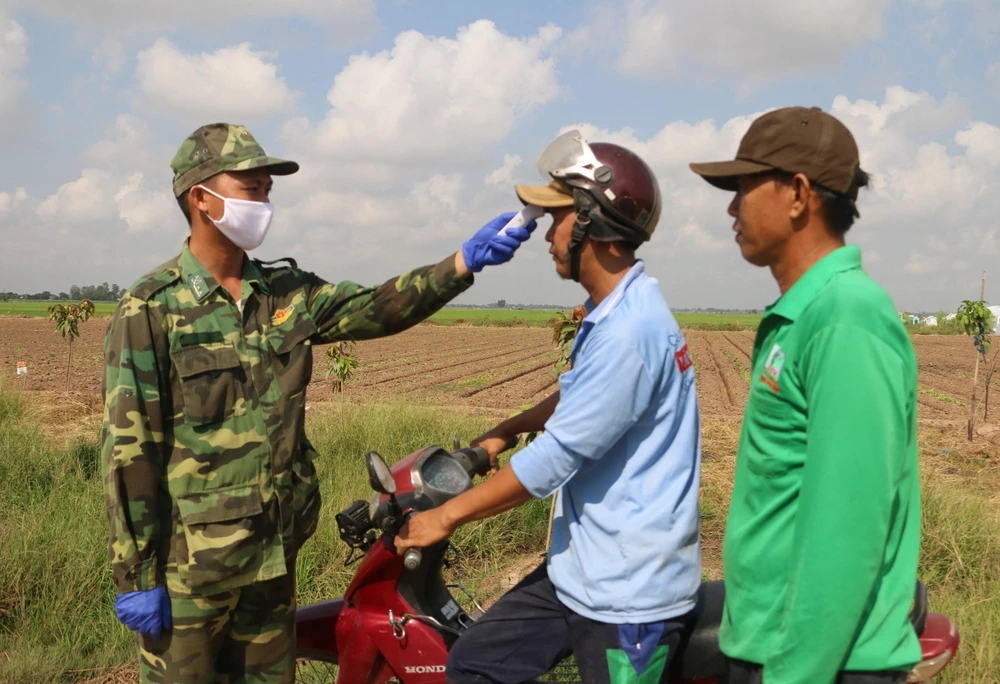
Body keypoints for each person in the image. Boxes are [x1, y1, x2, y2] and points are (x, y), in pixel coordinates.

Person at [100, 122, 537, 683]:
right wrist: (138, 575)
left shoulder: (287, 294)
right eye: (250, 188)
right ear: (201, 198)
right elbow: (130, 452)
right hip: (189, 574)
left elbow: (377, 306)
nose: (263, 202)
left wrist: (460, 264)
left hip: (272, 559)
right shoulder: (151, 308)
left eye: (267, 191)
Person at [395, 130, 702, 684]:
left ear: (596, 223)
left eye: (557, 216)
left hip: (628, 595)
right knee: (476, 663)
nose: (547, 235)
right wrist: (507, 430)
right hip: (584, 567)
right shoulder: (618, 309)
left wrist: (444, 517)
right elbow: (582, 393)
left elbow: (555, 460)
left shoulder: (631, 331)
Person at [689, 107, 921, 684]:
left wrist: (796, 674)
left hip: (819, 662)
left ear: (798, 194)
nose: (730, 208)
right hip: (777, 644)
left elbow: (847, 528)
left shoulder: (845, 318)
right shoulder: (805, 314)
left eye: (743, 187)